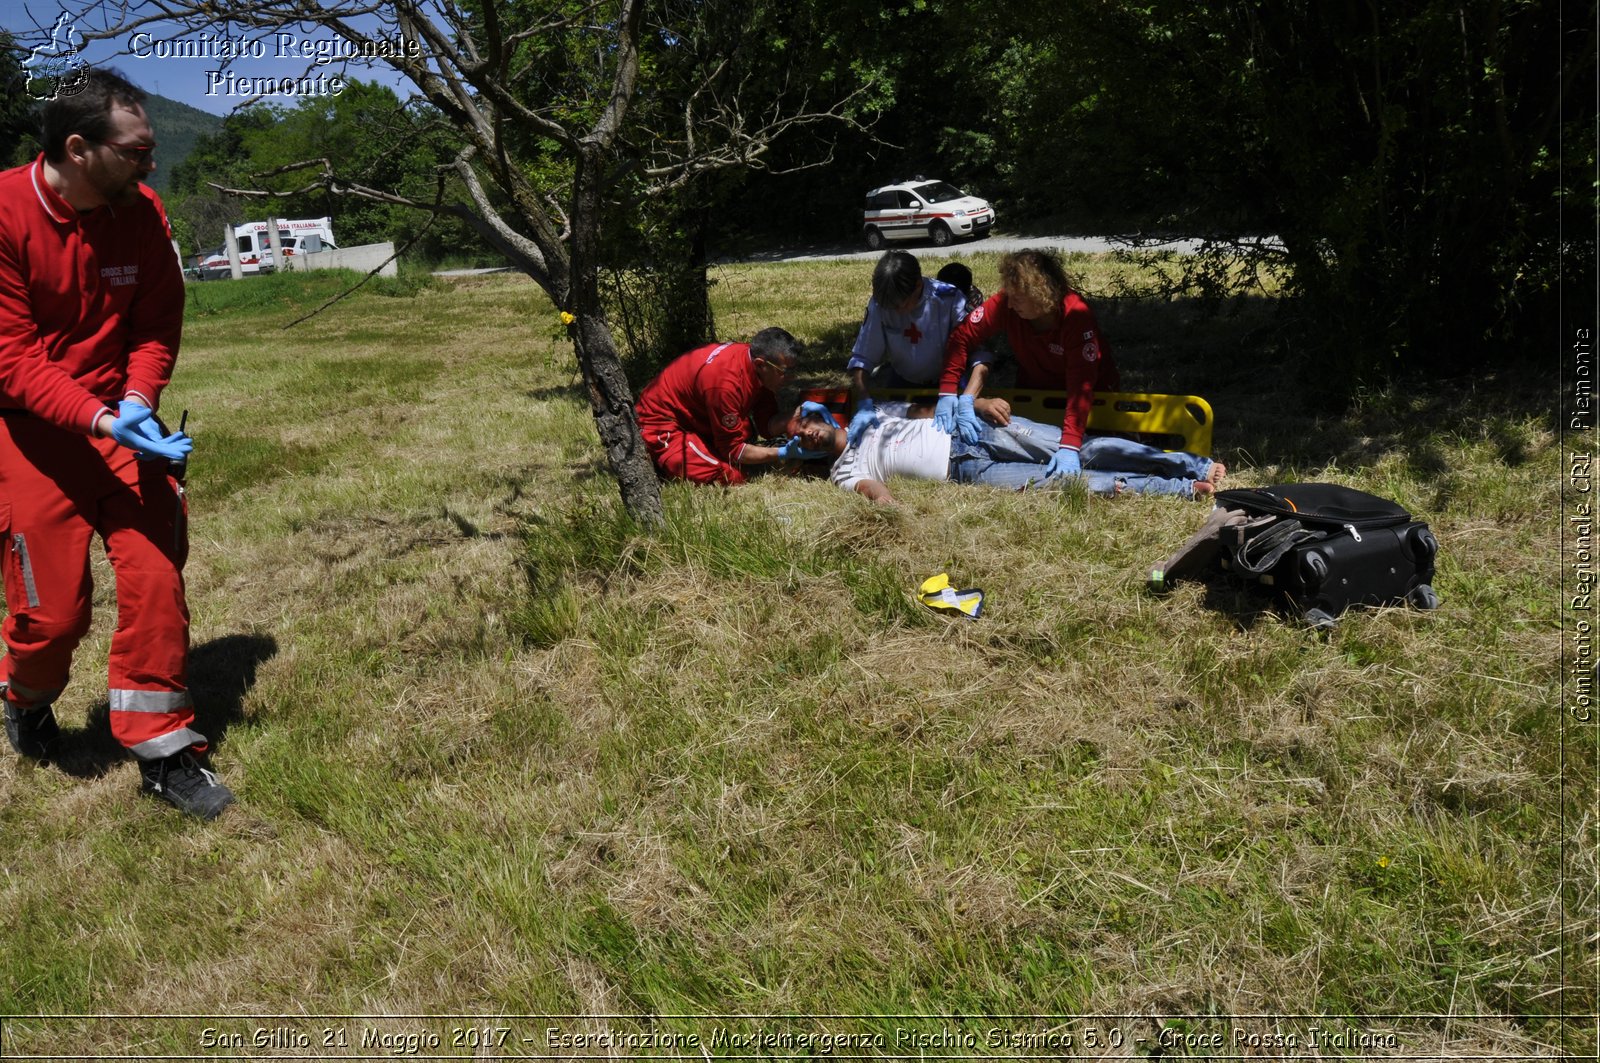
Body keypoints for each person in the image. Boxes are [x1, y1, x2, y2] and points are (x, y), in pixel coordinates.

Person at [0, 68, 234, 818]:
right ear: (78, 148)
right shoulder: (3, 213)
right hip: (31, 436)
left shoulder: (142, 210)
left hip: (121, 424)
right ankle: (25, 694)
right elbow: (13, 360)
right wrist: (100, 419)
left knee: (157, 574)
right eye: (136, 151)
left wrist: (136, 402)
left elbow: (157, 319)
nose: (151, 166)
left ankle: (165, 750)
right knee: (52, 614)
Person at [787, 401, 1222, 505]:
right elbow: (874, 490)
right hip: (967, 473)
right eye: (799, 439)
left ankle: (1193, 463)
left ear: (822, 416)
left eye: (805, 423)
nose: (806, 434)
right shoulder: (841, 473)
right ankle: (1180, 488)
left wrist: (972, 404)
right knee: (1066, 484)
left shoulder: (873, 412)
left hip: (974, 430)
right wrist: (889, 507)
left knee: (1082, 449)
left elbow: (927, 409)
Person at [935, 248, 1122, 481]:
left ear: (1040, 294)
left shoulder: (1076, 316)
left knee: (1102, 453)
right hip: (1034, 390)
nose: (1010, 304)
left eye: (1018, 298)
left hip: (1095, 398)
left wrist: (1071, 445)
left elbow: (1081, 386)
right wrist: (948, 391)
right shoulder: (1007, 303)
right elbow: (962, 337)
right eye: (1009, 296)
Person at [845, 251, 1004, 447]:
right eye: (890, 308)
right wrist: (864, 401)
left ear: (918, 286)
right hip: (903, 382)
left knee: (959, 439)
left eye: (901, 306)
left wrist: (967, 399)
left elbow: (981, 353)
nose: (896, 313)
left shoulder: (949, 299)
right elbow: (862, 357)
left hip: (951, 387)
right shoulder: (880, 305)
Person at [635, 327, 831, 485]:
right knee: (731, 475)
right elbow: (734, 450)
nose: (792, 378)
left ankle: (702, 443)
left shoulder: (757, 368)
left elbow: (767, 425)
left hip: (697, 416)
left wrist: (796, 415)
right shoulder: (725, 384)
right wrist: (781, 453)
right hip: (662, 425)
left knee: (744, 433)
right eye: (785, 372)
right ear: (761, 364)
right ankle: (661, 461)